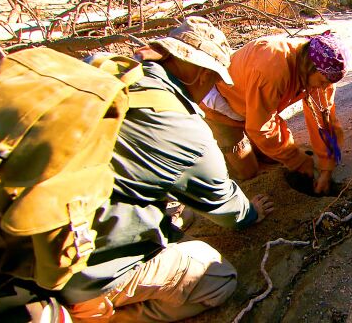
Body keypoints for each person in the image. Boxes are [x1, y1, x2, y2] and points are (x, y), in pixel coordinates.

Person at [59, 17, 274, 322]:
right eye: (214, 80)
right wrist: (250, 212)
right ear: (202, 73)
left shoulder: (104, 69)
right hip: (74, 269)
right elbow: (226, 207)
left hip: (17, 243)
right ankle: (91, 313)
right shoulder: (184, 129)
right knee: (218, 277)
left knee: (174, 206)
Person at [201, 31, 349, 195]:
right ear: (309, 66)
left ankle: (253, 145)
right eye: (322, 82)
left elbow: (324, 120)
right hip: (222, 106)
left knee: (273, 154)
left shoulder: (324, 72)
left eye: (327, 84)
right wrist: (298, 161)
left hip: (255, 106)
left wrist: (326, 168)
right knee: (247, 170)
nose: (323, 87)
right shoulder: (272, 69)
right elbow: (260, 127)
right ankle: (218, 152)